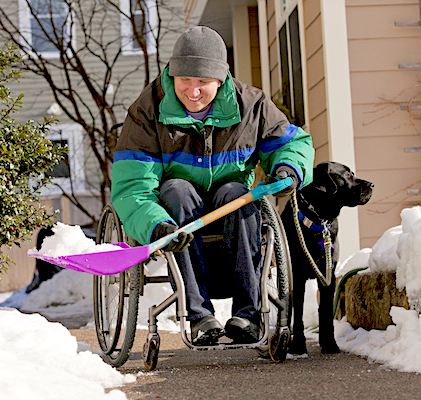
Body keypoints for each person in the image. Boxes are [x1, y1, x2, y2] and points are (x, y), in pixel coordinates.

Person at [111, 26, 315, 345]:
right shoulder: (147, 110)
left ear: (220, 81)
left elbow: (293, 143)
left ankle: (248, 315)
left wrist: (288, 167)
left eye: (203, 82)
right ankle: (199, 315)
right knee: (176, 188)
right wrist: (155, 226)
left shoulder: (252, 106)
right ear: (172, 76)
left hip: (231, 201)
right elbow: (133, 187)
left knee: (239, 194)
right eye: (185, 82)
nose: (193, 92)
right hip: (176, 209)